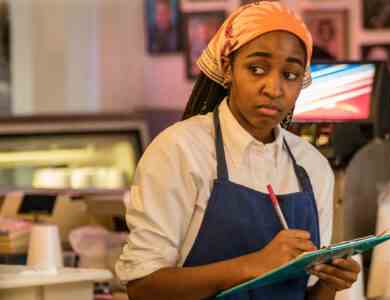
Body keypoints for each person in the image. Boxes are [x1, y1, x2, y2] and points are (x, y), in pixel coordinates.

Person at [116, 2, 361, 299]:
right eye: (257, 69)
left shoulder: (313, 166)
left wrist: (330, 283)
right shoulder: (180, 150)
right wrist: (254, 265)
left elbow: (304, 295)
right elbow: (143, 288)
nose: (274, 88)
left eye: (291, 75)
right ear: (228, 69)